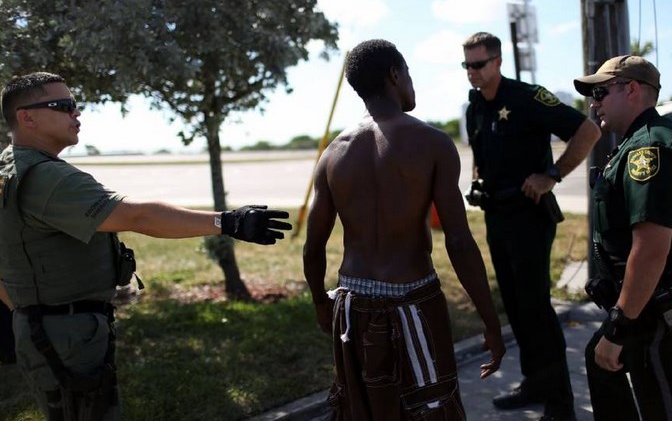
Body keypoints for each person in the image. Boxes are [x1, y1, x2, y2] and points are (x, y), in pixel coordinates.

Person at [0, 71, 292, 420]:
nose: (76, 114)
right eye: (63, 106)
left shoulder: (9, 166)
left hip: (44, 325)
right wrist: (229, 222)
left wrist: (23, 311)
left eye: (75, 105)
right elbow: (139, 218)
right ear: (26, 117)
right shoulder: (47, 177)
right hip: (66, 332)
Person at [303, 39, 505, 420]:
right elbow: (459, 242)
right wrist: (490, 322)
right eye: (408, 72)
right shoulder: (432, 144)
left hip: (351, 307)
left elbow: (313, 248)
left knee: (362, 409)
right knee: (432, 409)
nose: (412, 82)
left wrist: (320, 302)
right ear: (395, 75)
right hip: (414, 303)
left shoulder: (333, 153)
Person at [461, 32, 601, 421]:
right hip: (496, 216)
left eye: (479, 64)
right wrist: (479, 178)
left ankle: (560, 405)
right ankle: (534, 384)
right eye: (467, 65)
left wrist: (551, 174)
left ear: (497, 61)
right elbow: (481, 152)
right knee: (517, 309)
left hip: (529, 216)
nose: (472, 72)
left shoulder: (526, 97)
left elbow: (588, 130)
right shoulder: (475, 107)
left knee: (536, 308)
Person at [573, 55, 672, 420]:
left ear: (632, 89)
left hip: (656, 315)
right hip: (648, 308)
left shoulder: (647, 150)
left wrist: (619, 327)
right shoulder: (642, 141)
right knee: (599, 360)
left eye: (600, 92)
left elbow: (650, 251)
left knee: (669, 408)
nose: (593, 102)